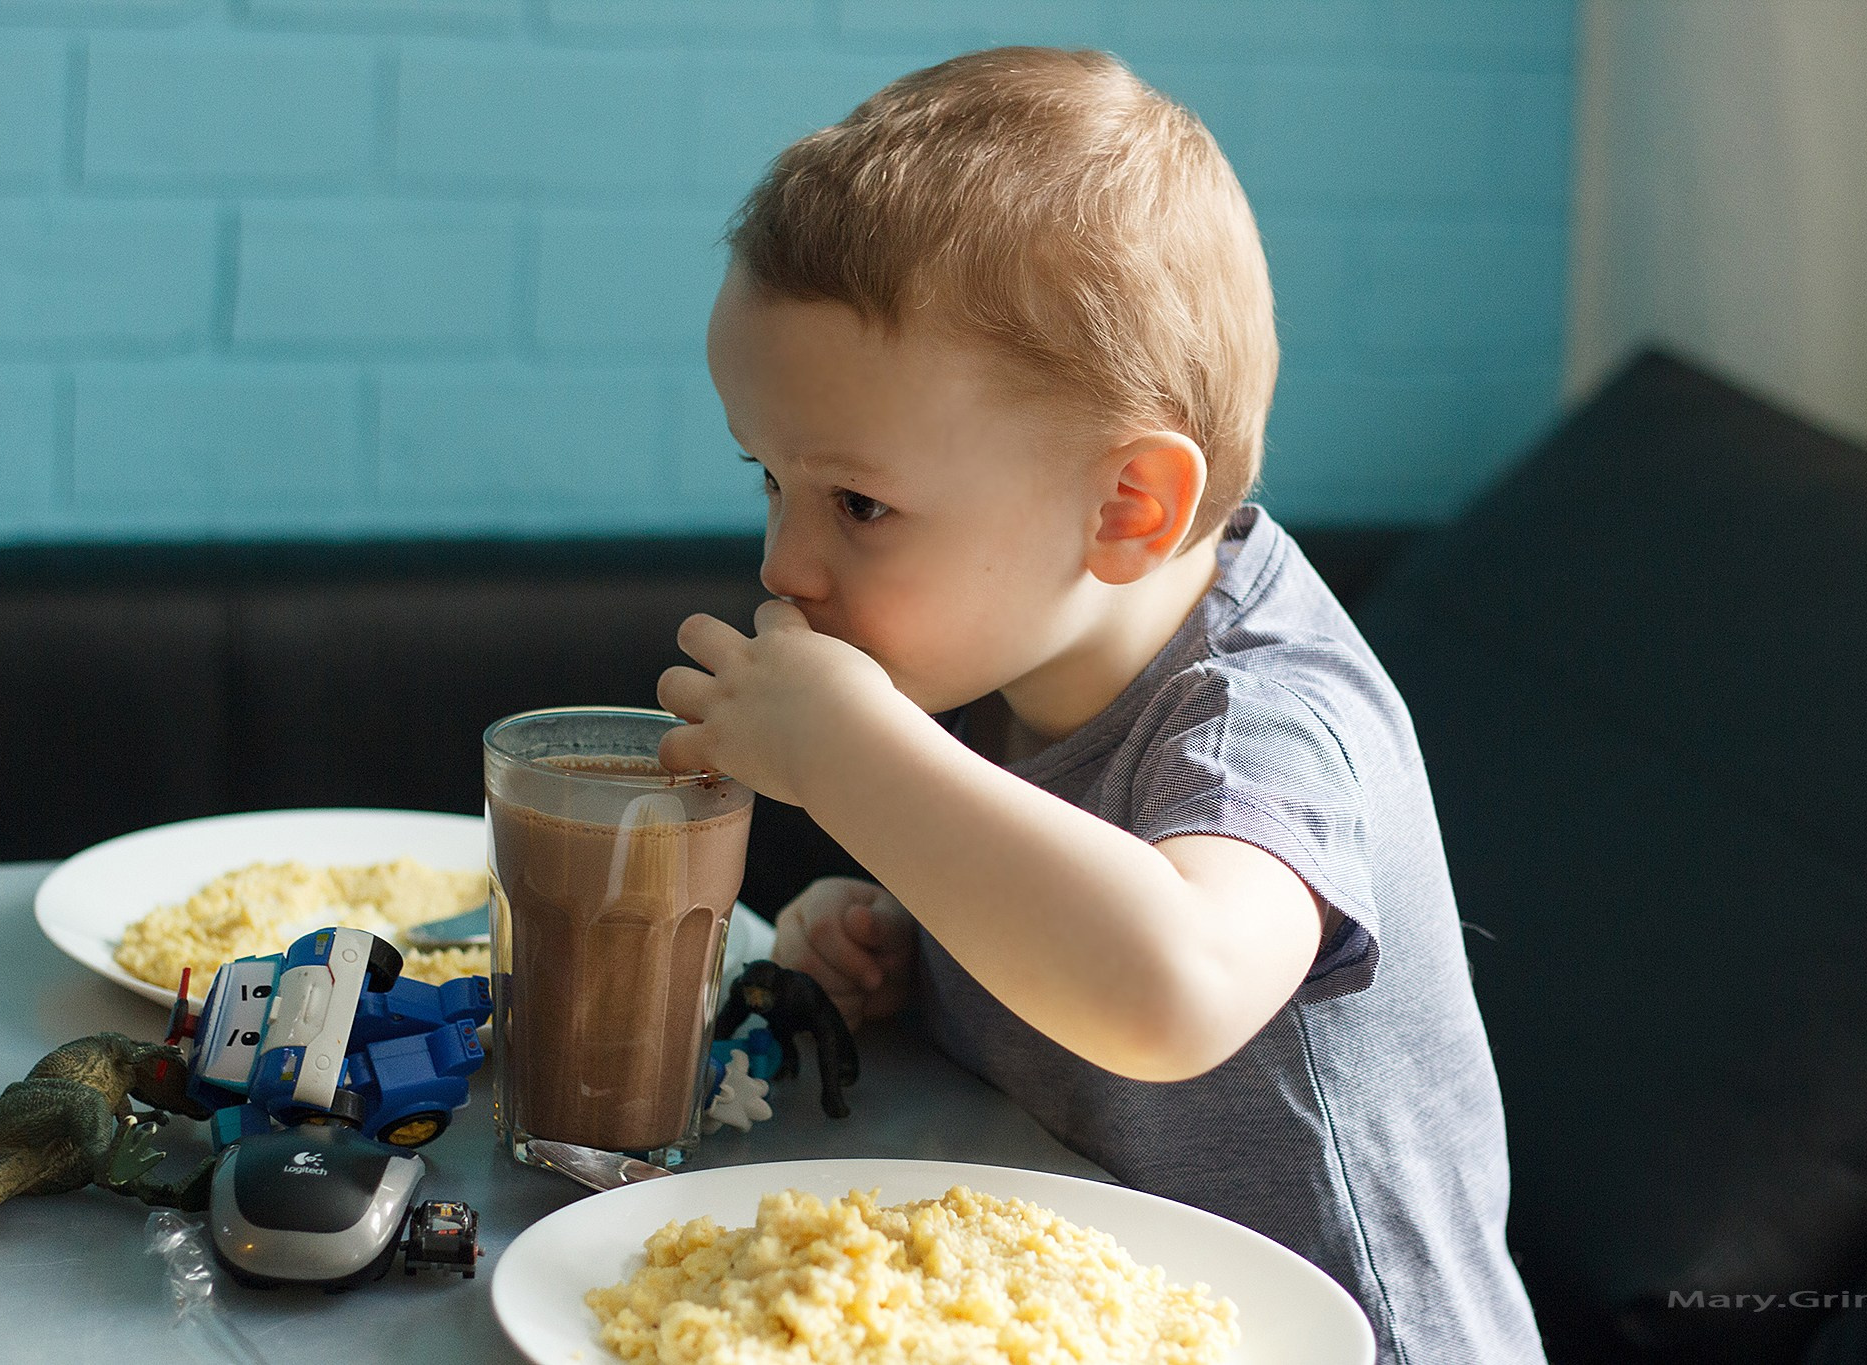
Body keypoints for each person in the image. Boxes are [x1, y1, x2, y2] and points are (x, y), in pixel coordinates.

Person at [655, 46, 1546, 1364]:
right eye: (766, 481)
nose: (785, 563)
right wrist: (896, 930)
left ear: (1128, 507)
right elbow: (1051, 902)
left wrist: (858, 761)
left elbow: (1169, 985)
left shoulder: (1268, 713)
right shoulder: (1000, 649)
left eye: (856, 501)